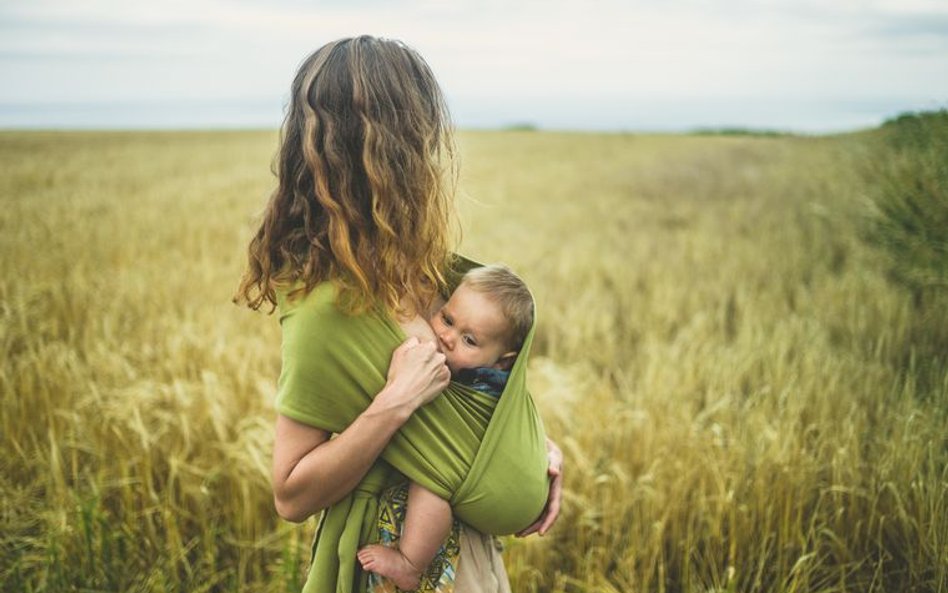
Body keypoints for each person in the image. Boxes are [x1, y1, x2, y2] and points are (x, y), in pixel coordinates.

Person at [235, 35, 563, 593]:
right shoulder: (325, 309)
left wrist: (531, 452)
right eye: (422, 135)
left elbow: (479, 396)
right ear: (395, 148)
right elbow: (290, 494)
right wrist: (395, 402)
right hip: (387, 561)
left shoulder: (431, 273)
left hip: (468, 558)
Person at [357, 265, 534, 590]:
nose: (447, 338)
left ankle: (409, 563)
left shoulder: (484, 386)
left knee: (433, 483)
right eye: (447, 319)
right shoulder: (467, 360)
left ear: (502, 362)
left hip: (455, 482)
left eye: (469, 340)